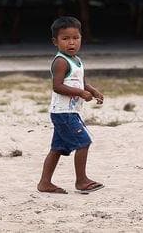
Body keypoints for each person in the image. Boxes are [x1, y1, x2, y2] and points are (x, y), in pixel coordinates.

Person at [37, 16, 104, 194]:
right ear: (55, 41)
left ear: (81, 38)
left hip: (70, 112)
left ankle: (44, 183)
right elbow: (57, 86)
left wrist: (94, 91)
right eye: (65, 39)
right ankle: (81, 181)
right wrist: (81, 93)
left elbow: (81, 82)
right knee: (84, 142)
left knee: (57, 148)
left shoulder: (77, 60)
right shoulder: (60, 62)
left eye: (75, 38)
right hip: (63, 113)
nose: (71, 42)